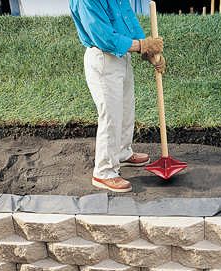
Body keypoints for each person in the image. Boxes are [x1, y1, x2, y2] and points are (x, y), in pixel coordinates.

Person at [69, 0, 166, 193]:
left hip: (123, 56)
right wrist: (141, 45)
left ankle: (122, 152)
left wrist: (148, 51)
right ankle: (104, 172)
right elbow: (104, 37)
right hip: (103, 58)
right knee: (111, 116)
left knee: (126, 109)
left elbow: (127, 17)